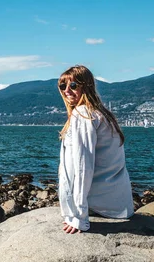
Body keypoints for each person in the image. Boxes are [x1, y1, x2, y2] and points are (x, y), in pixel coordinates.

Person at [57, 65, 134, 234]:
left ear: (86, 86)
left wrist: (78, 217)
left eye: (73, 85)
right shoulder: (101, 113)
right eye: (63, 86)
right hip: (117, 204)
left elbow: (82, 167)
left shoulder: (83, 114)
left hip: (101, 206)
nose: (67, 91)